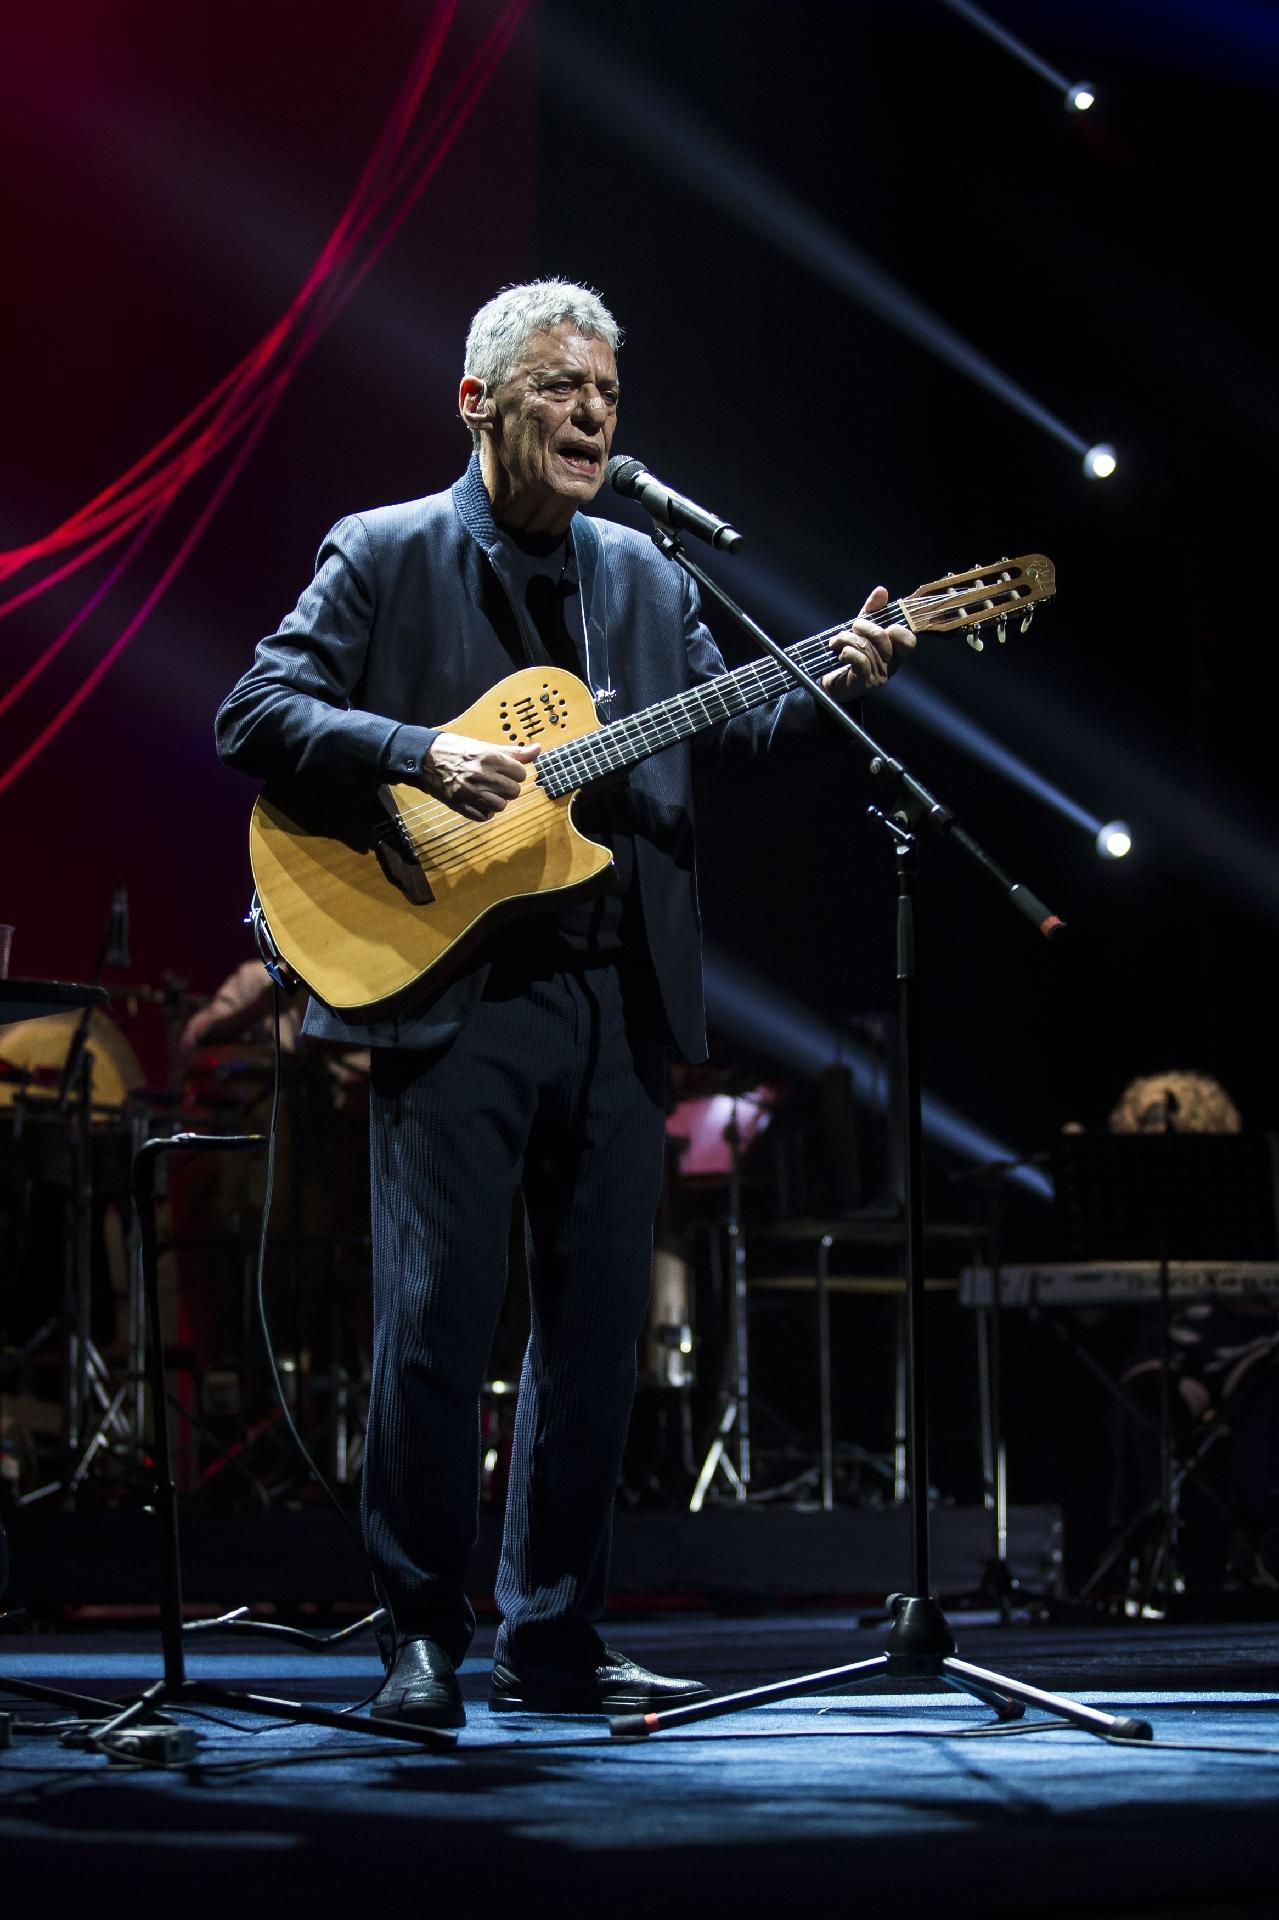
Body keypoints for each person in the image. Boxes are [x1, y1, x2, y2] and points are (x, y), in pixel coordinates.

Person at [214, 279, 915, 1726]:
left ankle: (554, 1639)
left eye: (606, 390)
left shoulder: (646, 579)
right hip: (451, 991)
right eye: (558, 387)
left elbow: (739, 725)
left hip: (617, 996)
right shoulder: (385, 553)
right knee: (436, 1324)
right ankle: (418, 1635)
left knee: (593, 1334)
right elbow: (254, 713)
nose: (593, 411)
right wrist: (415, 753)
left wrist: (835, 675)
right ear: (478, 403)